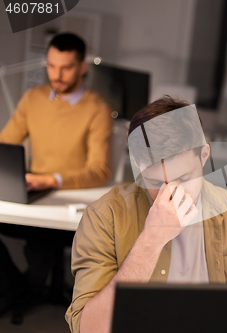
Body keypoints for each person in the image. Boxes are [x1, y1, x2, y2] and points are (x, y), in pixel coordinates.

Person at [65, 96, 227, 333]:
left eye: (183, 178)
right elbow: (89, 329)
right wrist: (151, 240)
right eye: (156, 182)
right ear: (138, 165)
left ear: (204, 155)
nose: (170, 194)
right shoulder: (104, 217)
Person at [0, 32, 112, 322]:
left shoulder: (96, 108)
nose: (57, 75)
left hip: (62, 203)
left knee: (41, 242)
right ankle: (18, 287)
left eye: (66, 67)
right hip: (33, 192)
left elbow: (100, 170)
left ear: (82, 66)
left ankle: (30, 288)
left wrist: (52, 180)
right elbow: (5, 144)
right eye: (51, 66)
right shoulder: (34, 98)